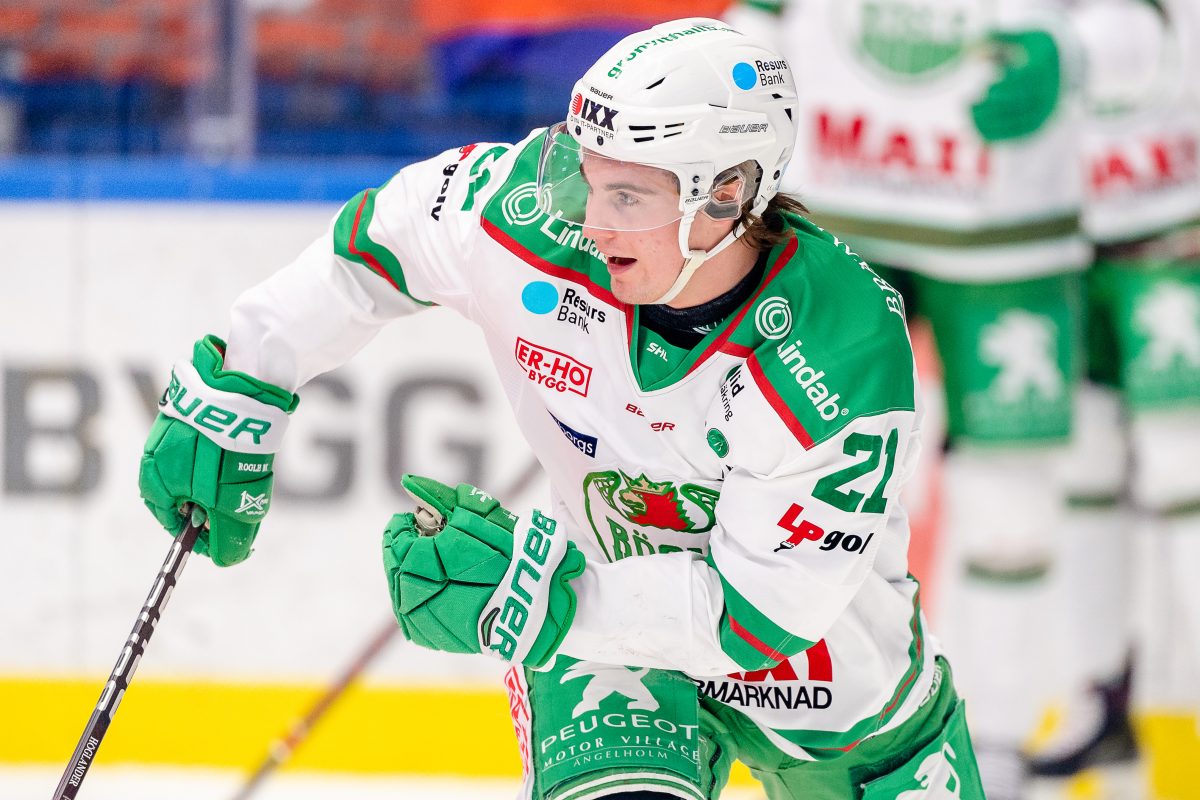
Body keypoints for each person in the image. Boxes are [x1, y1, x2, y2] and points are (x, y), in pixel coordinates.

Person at [137, 18, 985, 800]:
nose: (594, 223)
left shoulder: (839, 350)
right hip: (603, 639)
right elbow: (379, 243)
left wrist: (544, 601)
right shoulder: (530, 213)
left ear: (728, 193)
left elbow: (756, 619)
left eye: (631, 198)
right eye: (588, 179)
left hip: (826, 681)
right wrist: (244, 381)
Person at [722, 0, 1091, 796]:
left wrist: (1089, 52)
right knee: (819, 485)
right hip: (839, 211)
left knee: (1009, 505)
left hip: (1008, 225)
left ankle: (995, 738)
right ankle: (828, 724)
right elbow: (756, 21)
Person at [1030, 0, 1200, 789]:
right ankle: (1101, 698)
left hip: (1175, 217)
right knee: (1084, 471)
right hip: (1062, 233)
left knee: (1185, 468)